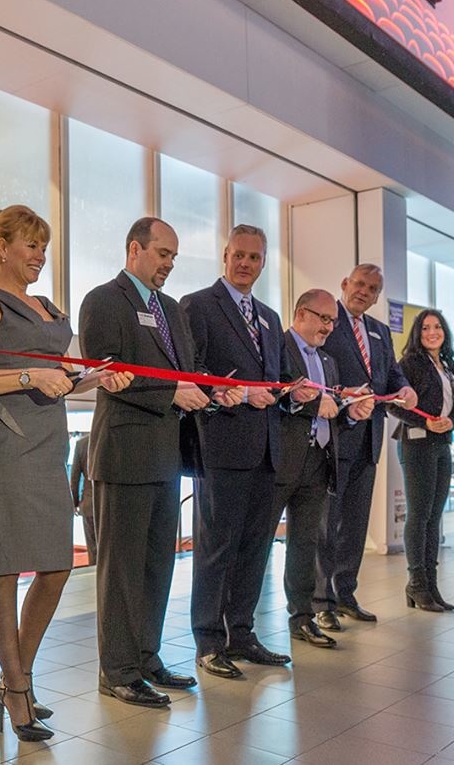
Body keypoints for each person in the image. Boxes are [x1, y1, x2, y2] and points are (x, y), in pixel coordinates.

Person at [0, 205, 131, 741]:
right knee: (4, 569)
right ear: (2, 248)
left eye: (44, 246)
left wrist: (97, 378)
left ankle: (16, 677)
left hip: (47, 444)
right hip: (6, 442)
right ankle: (17, 688)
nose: (40, 255)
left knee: (57, 566)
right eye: (31, 245)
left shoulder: (48, 306)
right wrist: (30, 375)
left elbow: (58, 379)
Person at [79, 216, 240, 708]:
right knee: (121, 571)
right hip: (124, 455)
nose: (169, 264)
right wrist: (173, 392)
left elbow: (187, 373)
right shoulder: (103, 300)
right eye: (162, 253)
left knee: (156, 566)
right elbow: (109, 371)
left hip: (167, 456)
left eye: (174, 257)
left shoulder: (170, 309)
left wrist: (214, 391)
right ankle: (117, 670)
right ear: (135, 249)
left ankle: (146, 658)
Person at [179, 224, 291, 679]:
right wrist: (241, 393)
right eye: (239, 255)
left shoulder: (269, 317)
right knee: (216, 547)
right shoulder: (198, 306)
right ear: (225, 255)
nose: (245, 263)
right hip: (221, 445)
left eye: (254, 257)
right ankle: (208, 641)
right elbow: (192, 370)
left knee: (255, 546)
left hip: (266, 448)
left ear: (263, 263)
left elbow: (278, 377)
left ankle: (241, 633)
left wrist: (294, 392)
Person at [315, 263, 417, 632]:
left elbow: (391, 374)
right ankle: (321, 601)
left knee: (355, 525)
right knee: (326, 524)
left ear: (376, 296)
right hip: (334, 436)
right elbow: (317, 370)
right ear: (345, 283)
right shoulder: (328, 321)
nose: (363, 291)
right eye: (359, 284)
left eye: (372, 288)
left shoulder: (379, 330)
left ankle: (345, 593)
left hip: (368, 440)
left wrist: (404, 387)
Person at [275, 290, 375, 649]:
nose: (330, 327)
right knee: (255, 546)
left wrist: (351, 413)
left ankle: (302, 617)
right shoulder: (278, 347)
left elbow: (331, 413)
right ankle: (237, 629)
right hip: (279, 461)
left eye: (333, 321)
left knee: (306, 543)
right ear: (301, 313)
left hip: (318, 462)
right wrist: (314, 404)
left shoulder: (328, 361)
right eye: (324, 319)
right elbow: (276, 398)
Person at [390, 310, 454, 612]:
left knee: (435, 517)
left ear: (445, 332)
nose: (432, 332)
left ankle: (431, 584)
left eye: (437, 327)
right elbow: (394, 404)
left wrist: (453, 421)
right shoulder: (410, 364)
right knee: (419, 515)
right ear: (417, 333)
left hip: (442, 444)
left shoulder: (449, 367)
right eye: (425, 328)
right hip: (416, 444)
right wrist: (425, 422)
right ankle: (416, 583)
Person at [69, 432, 97, 566]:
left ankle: (94, 577)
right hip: (111, 505)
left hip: (89, 504)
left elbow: (74, 479)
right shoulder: (112, 438)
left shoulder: (82, 444)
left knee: (93, 551)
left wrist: (74, 503)